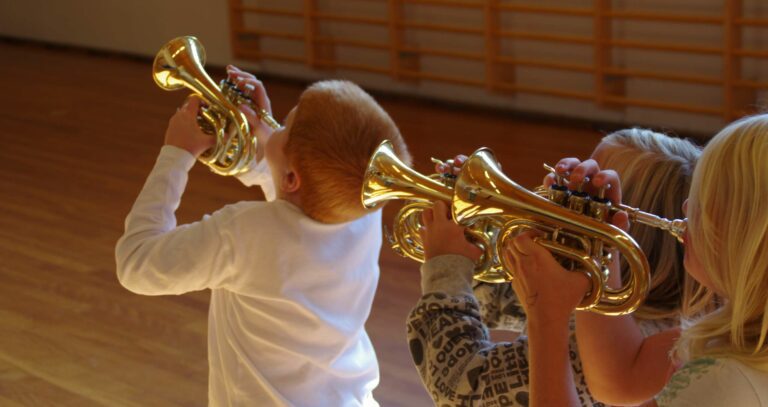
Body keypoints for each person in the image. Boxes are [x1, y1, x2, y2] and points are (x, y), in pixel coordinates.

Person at [115, 66, 411, 406]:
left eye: (285, 126)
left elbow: (136, 262)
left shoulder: (243, 233)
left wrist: (176, 154)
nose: (277, 125)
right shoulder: (364, 208)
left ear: (291, 179)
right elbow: (295, 210)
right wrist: (269, 140)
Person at [407, 129, 701, 406]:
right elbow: (508, 304)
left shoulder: (593, 353)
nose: (562, 199)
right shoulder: (667, 318)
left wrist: (446, 267)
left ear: (622, 235)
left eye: (586, 194)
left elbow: (461, 385)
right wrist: (475, 238)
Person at [505, 114, 768, 406]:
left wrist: (545, 318)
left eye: (704, 198)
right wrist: (597, 241)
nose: (687, 206)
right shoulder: (745, 339)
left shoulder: (723, 382)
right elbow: (618, 379)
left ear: (748, 235)